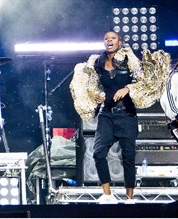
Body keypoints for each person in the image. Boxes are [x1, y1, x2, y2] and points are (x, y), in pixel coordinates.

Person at [70, 31, 170, 204]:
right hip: (107, 115)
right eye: (106, 38)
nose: (109, 40)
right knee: (99, 153)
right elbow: (93, 86)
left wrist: (128, 88)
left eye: (113, 38)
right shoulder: (97, 62)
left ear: (119, 42)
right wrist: (97, 95)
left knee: (128, 157)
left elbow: (143, 81)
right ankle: (107, 194)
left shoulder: (129, 59)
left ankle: (129, 197)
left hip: (127, 116)